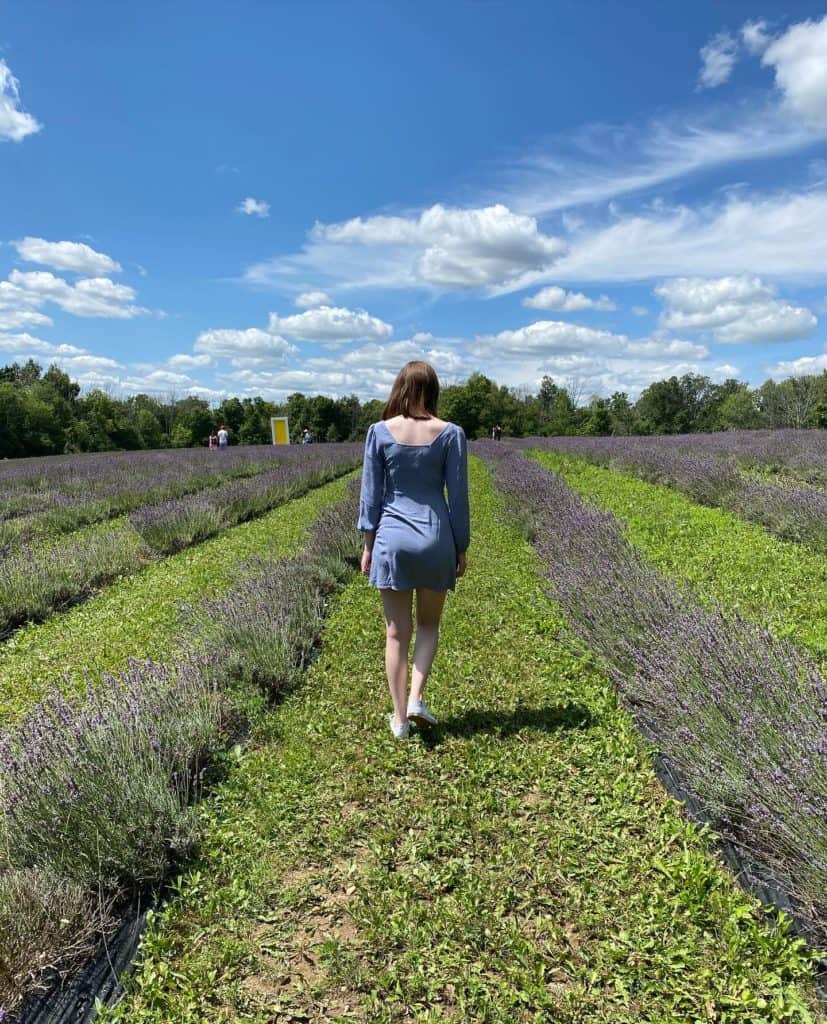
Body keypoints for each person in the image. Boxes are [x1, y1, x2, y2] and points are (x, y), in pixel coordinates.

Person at [357, 360, 470, 740]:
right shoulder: (452, 434)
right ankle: (418, 698)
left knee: (395, 634)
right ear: (434, 390)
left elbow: (370, 497)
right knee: (428, 624)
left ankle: (399, 719)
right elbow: (458, 497)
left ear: (399, 389)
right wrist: (461, 546)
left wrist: (368, 546)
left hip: (392, 539)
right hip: (436, 536)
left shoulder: (378, 432)